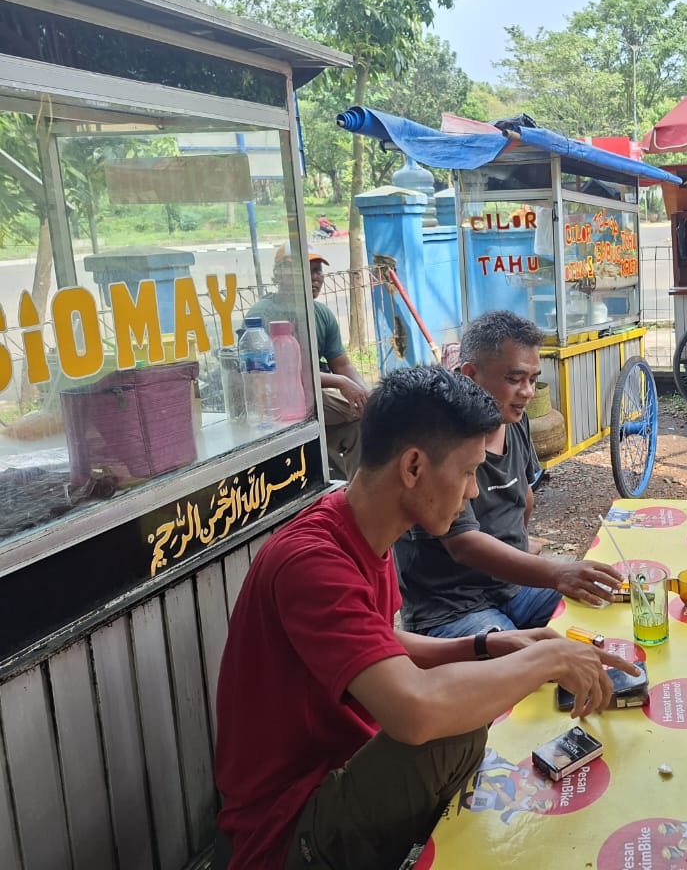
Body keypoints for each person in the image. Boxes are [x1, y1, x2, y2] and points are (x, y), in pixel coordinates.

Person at [214, 366, 636, 870]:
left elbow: (381, 643)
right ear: (413, 466)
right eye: (467, 472)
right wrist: (549, 659)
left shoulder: (362, 527)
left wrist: (484, 646)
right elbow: (416, 713)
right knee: (452, 729)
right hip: (286, 831)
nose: (474, 492)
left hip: (346, 772)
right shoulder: (312, 562)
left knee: (471, 696)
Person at [394, 311, 622, 638]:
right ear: (470, 374)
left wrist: (520, 548)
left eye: (533, 379)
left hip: (512, 588)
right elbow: (463, 544)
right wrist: (555, 572)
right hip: (452, 605)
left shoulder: (514, 420)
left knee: (607, 610)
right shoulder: (440, 436)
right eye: (515, 379)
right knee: (530, 658)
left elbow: (524, 497)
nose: (527, 392)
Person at [248, 248, 368, 478]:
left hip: (312, 396)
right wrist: (342, 383)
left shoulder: (321, 313)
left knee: (359, 427)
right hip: (277, 402)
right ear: (281, 275)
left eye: (318, 271)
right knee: (363, 411)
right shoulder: (264, 313)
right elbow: (282, 373)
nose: (315, 278)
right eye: (306, 271)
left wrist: (364, 392)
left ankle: (351, 490)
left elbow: (342, 364)